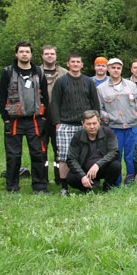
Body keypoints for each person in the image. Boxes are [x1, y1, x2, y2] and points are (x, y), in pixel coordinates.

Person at [0, 41, 49, 193]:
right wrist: (5, 118)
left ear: (31, 54)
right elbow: (1, 97)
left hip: (35, 120)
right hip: (14, 120)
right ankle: (12, 186)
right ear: (16, 54)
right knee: (13, 155)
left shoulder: (39, 72)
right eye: (21, 52)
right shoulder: (8, 72)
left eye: (27, 52)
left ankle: (39, 186)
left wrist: (44, 117)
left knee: (38, 153)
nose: (24, 54)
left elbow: (45, 96)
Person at [51, 53, 100, 196]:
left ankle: (89, 183)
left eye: (78, 62)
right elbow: (55, 103)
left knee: (88, 155)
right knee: (64, 157)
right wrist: (57, 122)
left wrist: (96, 121)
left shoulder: (88, 82)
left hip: (85, 125)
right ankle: (64, 187)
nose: (75, 64)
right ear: (68, 64)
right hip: (65, 124)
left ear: (82, 64)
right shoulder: (61, 81)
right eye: (73, 62)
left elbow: (95, 103)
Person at [97, 57, 137, 185]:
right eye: (113, 68)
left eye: (118, 68)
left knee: (131, 156)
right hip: (113, 128)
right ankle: (115, 181)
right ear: (108, 69)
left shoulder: (131, 86)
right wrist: (110, 118)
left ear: (122, 69)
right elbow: (99, 109)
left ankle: (130, 180)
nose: (116, 70)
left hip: (131, 127)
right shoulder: (101, 89)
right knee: (115, 155)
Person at [65, 110, 121, 193]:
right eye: (88, 124)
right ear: (83, 124)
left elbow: (114, 152)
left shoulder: (108, 133)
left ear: (99, 122)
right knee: (70, 178)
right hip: (84, 170)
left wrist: (97, 165)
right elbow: (71, 159)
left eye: (94, 123)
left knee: (116, 165)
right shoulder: (77, 136)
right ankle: (88, 188)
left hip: (102, 167)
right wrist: (82, 176)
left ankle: (107, 187)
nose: (92, 126)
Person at [40, 45, 67, 183]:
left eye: (52, 53)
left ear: (56, 56)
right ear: (42, 56)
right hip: (40, 117)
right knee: (40, 149)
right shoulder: (35, 72)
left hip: (59, 118)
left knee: (60, 149)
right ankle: (42, 178)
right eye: (47, 54)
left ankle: (60, 178)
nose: (49, 56)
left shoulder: (64, 73)